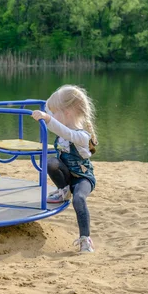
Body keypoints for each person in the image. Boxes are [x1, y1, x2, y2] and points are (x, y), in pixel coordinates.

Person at [31, 85, 98, 253]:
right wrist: (50, 106)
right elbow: (50, 111)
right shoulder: (62, 125)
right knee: (51, 162)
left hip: (83, 177)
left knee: (79, 199)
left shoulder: (81, 135)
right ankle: (64, 189)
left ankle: (85, 239)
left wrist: (47, 117)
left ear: (67, 112)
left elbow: (63, 131)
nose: (52, 115)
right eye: (52, 113)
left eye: (56, 112)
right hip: (67, 175)